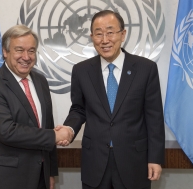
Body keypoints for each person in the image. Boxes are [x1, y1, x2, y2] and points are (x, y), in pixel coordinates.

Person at [56, 10, 165, 189]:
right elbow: (78, 109)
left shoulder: (146, 69)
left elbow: (154, 117)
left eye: (110, 32)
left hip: (134, 161)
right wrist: (69, 129)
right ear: (92, 37)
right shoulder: (81, 71)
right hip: (95, 162)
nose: (104, 40)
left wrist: (155, 158)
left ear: (123, 34)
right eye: (98, 34)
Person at [0, 25, 73, 189]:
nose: (26, 57)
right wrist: (54, 136)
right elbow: (7, 131)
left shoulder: (40, 81)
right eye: (19, 50)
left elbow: (47, 125)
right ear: (5, 52)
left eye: (31, 51)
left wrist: (50, 173)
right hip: (5, 179)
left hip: (40, 176)